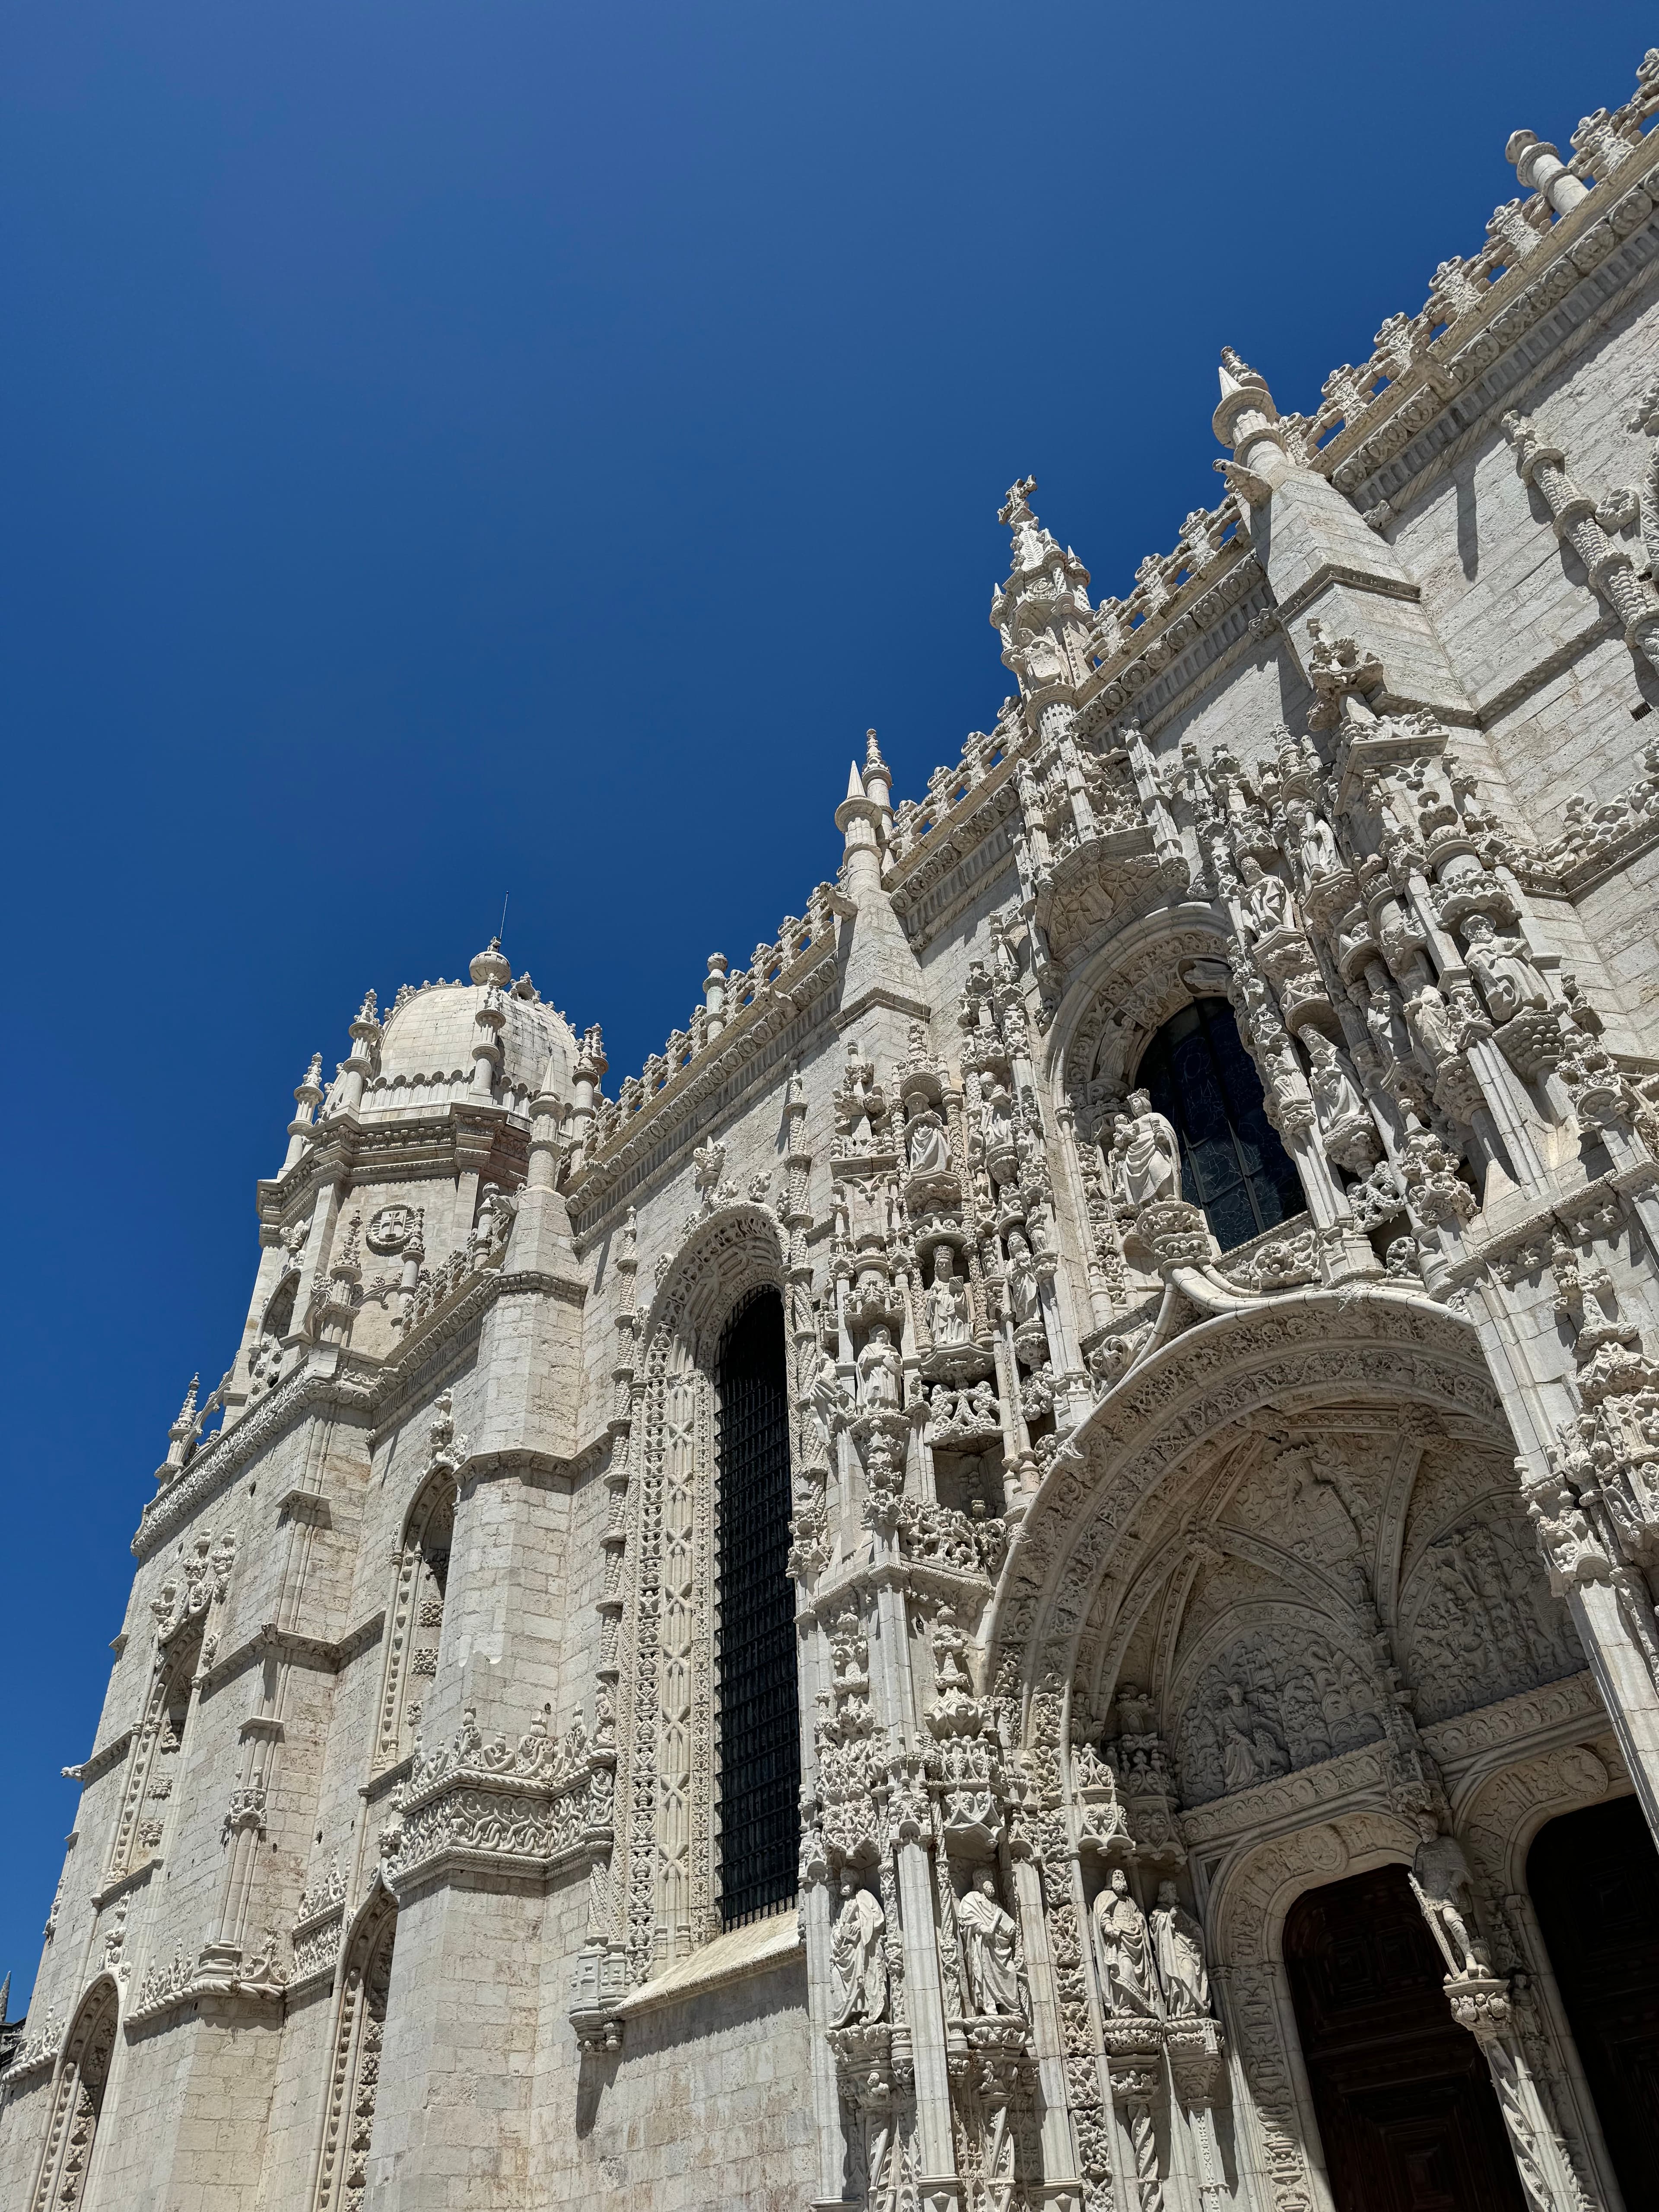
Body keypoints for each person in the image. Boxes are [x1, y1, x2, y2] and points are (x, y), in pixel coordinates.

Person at [1092, 1866, 1159, 2016]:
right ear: (1110, 1879)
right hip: (1120, 1942)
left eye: (1121, 1875)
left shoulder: (1130, 1901)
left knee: (1138, 1974)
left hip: (1136, 1941)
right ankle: (1123, 2006)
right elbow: (1104, 1917)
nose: (1119, 1877)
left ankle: (1138, 2006)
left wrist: (1140, 1920)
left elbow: (1137, 1914)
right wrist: (1110, 1927)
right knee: (1125, 1969)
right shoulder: (1106, 1896)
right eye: (1115, 1875)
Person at [958, 1873, 1023, 2017]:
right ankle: (990, 2008)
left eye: (991, 1880)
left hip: (1000, 1947)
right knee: (986, 1976)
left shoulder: (996, 1904)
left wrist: (1011, 1929)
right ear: (979, 1881)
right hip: (983, 1947)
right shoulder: (971, 1900)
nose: (991, 1884)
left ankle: (1009, 2008)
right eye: (987, 1880)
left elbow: (1006, 1929)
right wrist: (996, 1919)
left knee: (1010, 1973)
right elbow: (985, 1931)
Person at [829, 1875, 888, 2027]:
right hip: (845, 1951)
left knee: (863, 1977)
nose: (844, 1884)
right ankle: (849, 2016)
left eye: (848, 1881)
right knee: (839, 1977)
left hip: (861, 1948)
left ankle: (867, 2011)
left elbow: (878, 1918)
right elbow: (837, 1924)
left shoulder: (864, 1896)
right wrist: (836, 1933)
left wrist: (861, 1923)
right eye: (843, 1881)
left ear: (855, 1882)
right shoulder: (842, 1904)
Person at [1149, 1882, 1211, 2018]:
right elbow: (1157, 1930)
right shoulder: (1159, 1911)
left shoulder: (1182, 1910)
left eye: (1175, 1888)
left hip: (1189, 1947)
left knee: (1197, 1975)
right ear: (1164, 1893)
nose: (1175, 1891)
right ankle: (1186, 2008)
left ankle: (1197, 2007)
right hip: (1175, 1950)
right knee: (1186, 1973)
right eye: (1172, 1889)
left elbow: (1194, 1928)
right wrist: (1169, 1917)